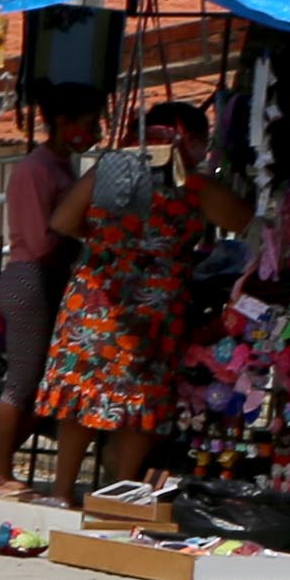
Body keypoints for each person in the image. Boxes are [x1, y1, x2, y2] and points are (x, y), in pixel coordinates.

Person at [39, 96, 251, 500]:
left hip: (95, 297)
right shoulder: (196, 185)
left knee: (83, 393)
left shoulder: (109, 170)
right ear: (192, 140)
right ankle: (117, 495)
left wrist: (108, 244)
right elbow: (244, 221)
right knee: (140, 403)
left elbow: (62, 220)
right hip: (154, 309)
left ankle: (63, 491)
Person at [0, 92, 97, 494]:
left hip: (50, 280)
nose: (94, 131)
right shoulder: (34, 170)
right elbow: (40, 240)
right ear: (62, 121)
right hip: (30, 278)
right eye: (88, 121)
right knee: (22, 381)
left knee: (43, 385)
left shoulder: (63, 167)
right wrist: (80, 229)